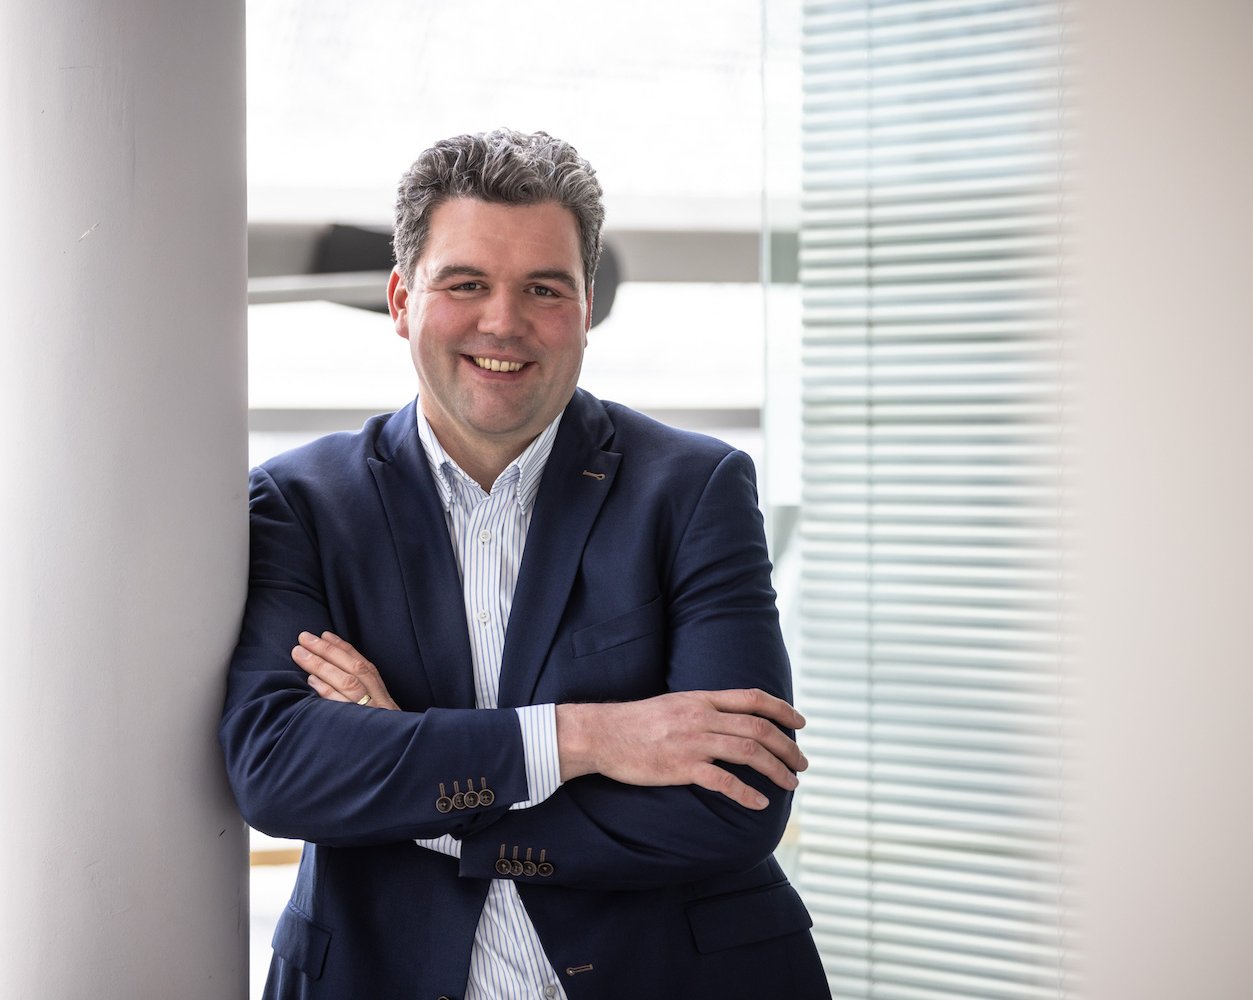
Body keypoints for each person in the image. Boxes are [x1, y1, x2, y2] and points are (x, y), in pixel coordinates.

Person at [219, 129, 830, 1000]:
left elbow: (737, 797)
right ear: (401, 299)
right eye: (465, 284)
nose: (503, 322)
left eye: (544, 288)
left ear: (585, 309)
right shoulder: (297, 505)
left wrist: (414, 778)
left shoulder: (696, 490)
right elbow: (280, 770)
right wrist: (589, 738)